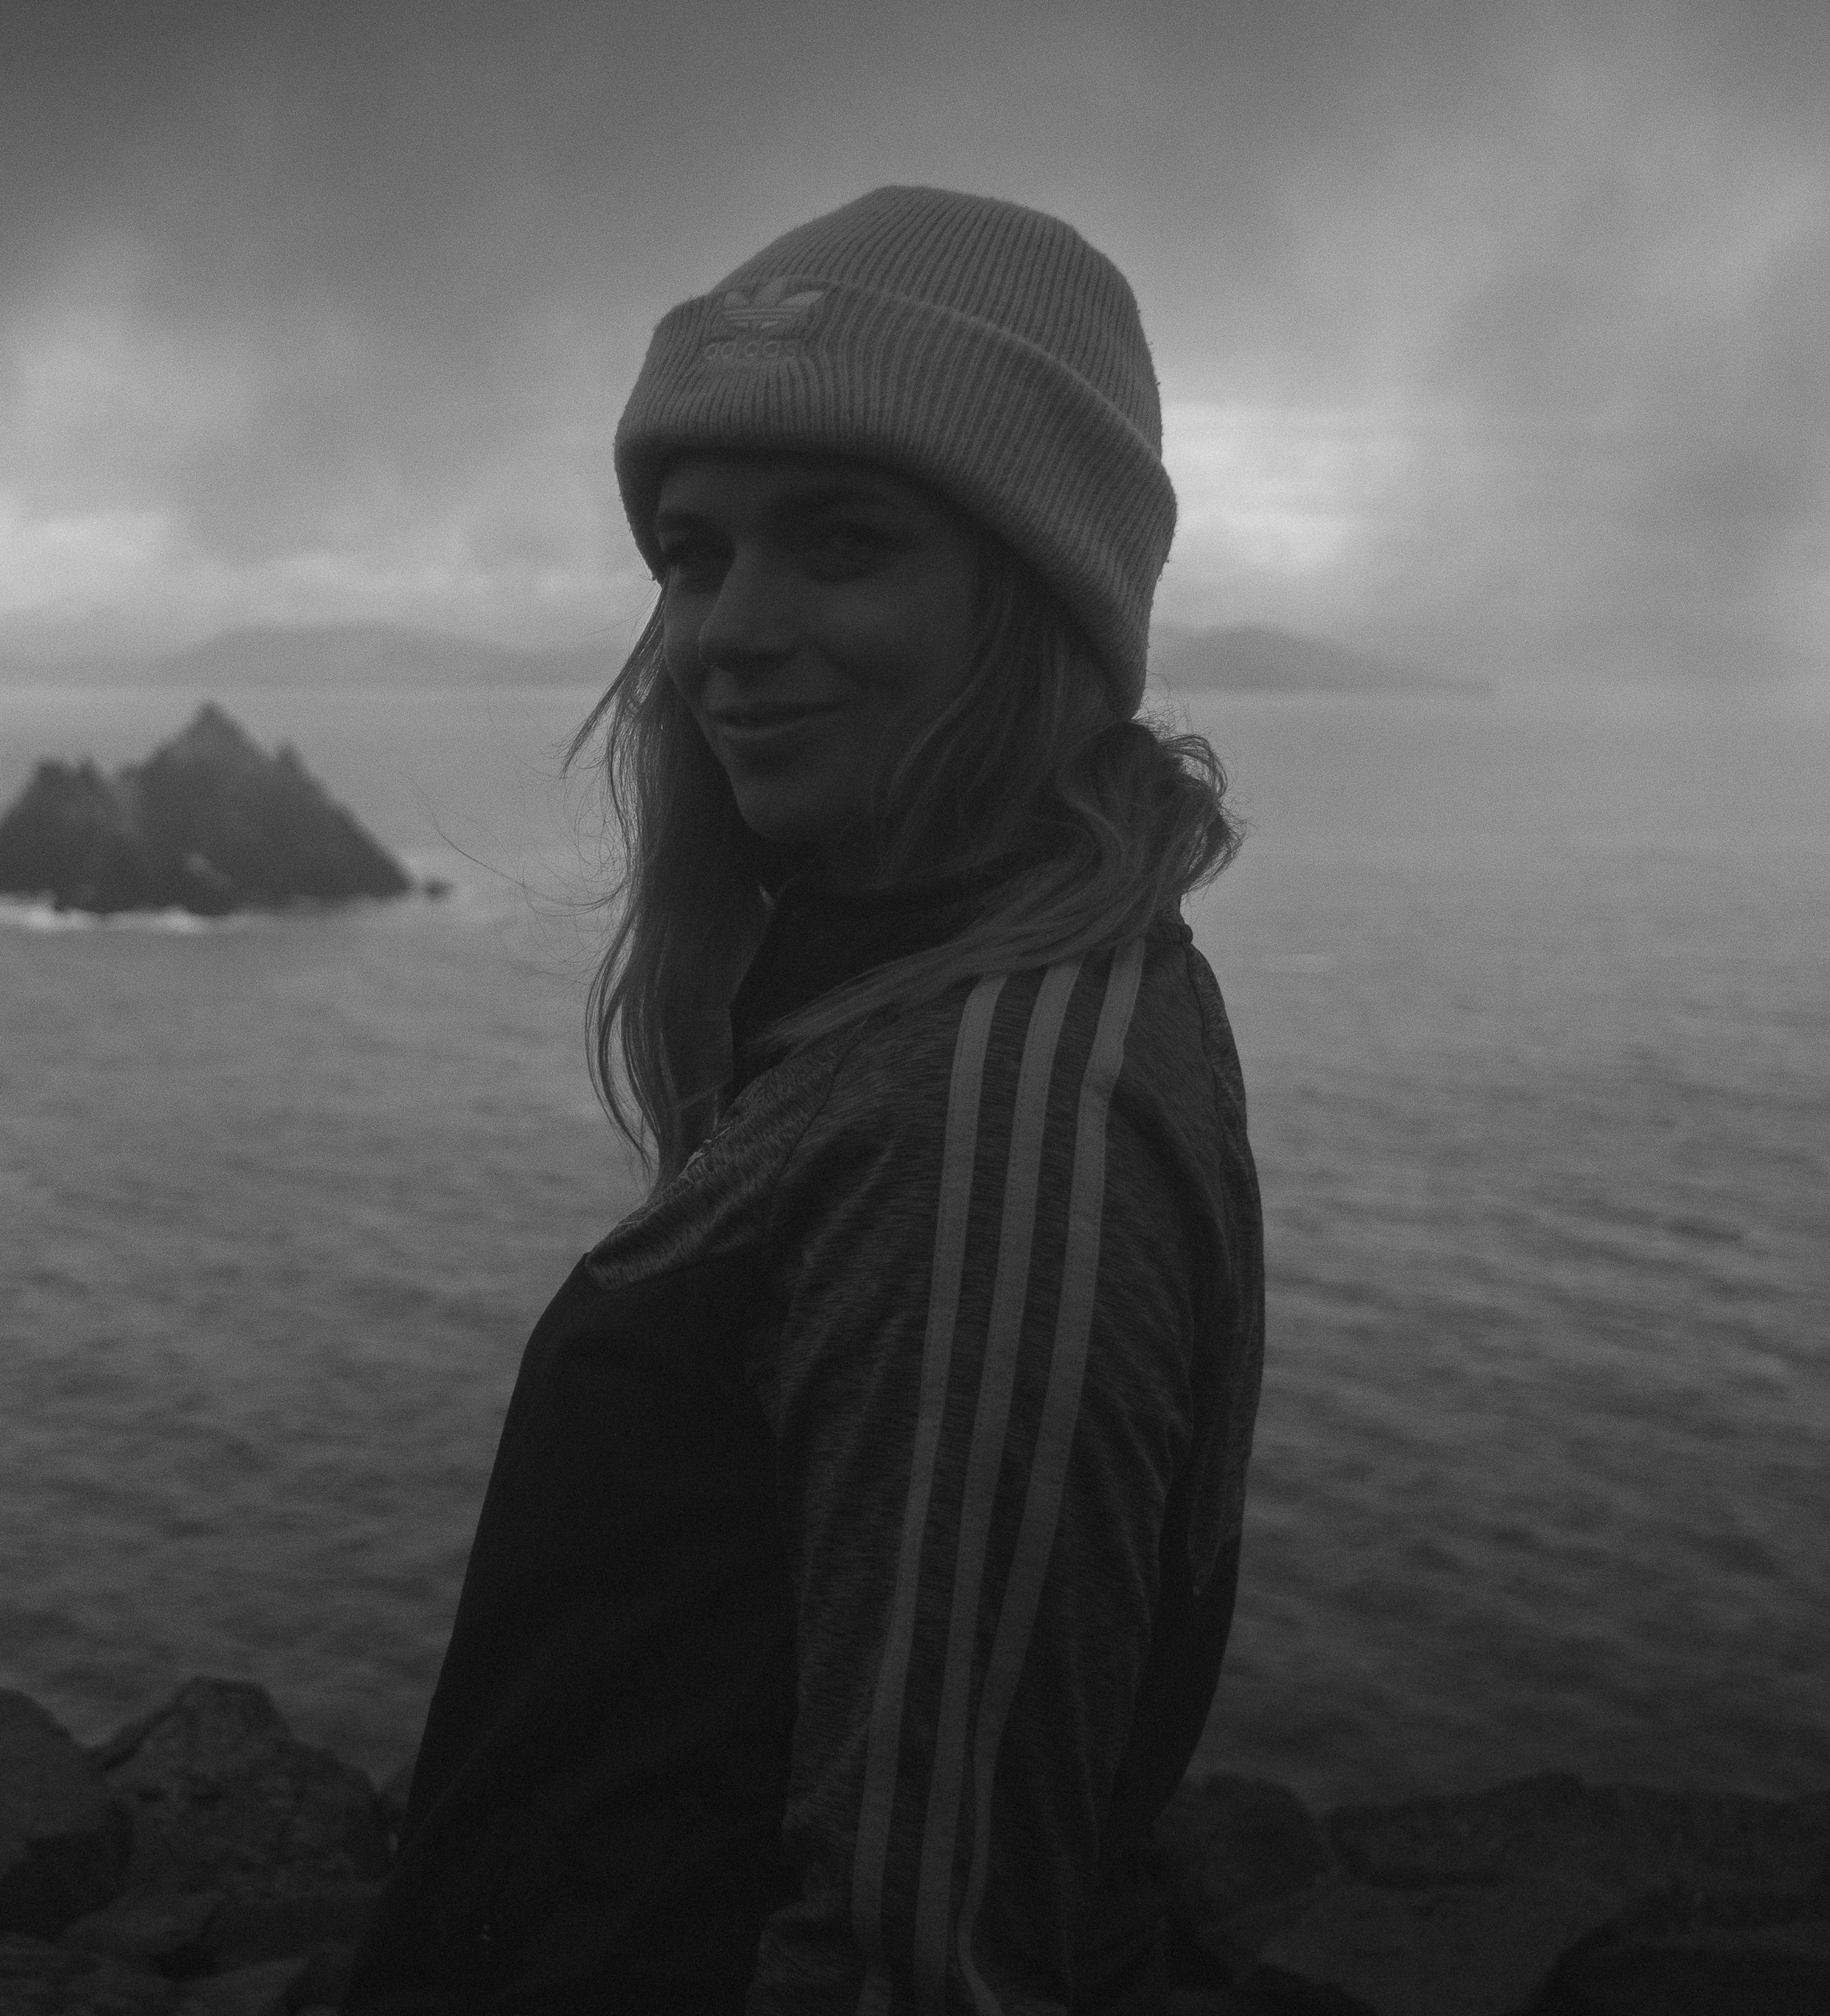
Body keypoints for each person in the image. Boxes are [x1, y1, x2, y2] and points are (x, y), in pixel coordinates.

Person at [345, 187, 1266, 2014]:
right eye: (694, 557)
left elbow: (922, 1955)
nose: (727, 636)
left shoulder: (990, 1124)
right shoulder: (901, 984)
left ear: (1039, 595)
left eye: (841, 545)